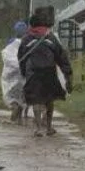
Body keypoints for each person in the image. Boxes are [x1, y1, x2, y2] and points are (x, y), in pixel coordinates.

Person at [18, 8, 72, 137]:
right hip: (49, 72)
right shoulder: (51, 37)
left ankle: (38, 129)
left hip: (33, 72)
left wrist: (24, 72)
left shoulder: (27, 38)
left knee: (36, 100)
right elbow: (61, 57)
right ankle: (48, 127)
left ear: (33, 24)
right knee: (49, 100)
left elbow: (21, 57)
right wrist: (67, 74)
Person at [1, 20, 30, 124]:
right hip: (23, 73)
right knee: (22, 95)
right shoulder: (28, 43)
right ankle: (20, 119)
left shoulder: (11, 42)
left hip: (10, 74)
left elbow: (7, 57)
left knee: (9, 94)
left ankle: (14, 108)